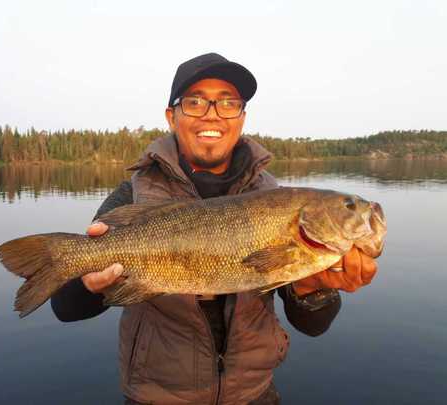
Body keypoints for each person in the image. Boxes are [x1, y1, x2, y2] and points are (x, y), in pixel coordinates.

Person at [51, 53, 378, 405]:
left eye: (228, 103)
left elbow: (312, 326)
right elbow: (65, 308)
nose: (212, 114)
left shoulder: (274, 199)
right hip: (158, 397)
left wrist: (312, 290)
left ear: (241, 118)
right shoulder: (133, 196)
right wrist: (88, 283)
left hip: (254, 395)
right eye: (195, 102)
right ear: (172, 116)